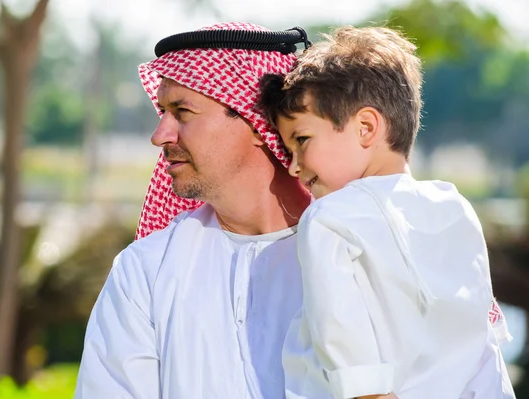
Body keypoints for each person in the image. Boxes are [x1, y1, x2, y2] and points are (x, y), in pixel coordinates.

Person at [256, 26, 515, 399]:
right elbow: (483, 346)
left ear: (365, 127)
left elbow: (350, 357)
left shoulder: (329, 218)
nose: (294, 166)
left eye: (301, 140)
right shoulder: (455, 206)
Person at [73, 22, 312, 399]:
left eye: (182, 112)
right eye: (162, 112)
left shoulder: (350, 249)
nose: (160, 135)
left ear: (256, 119)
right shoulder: (146, 271)